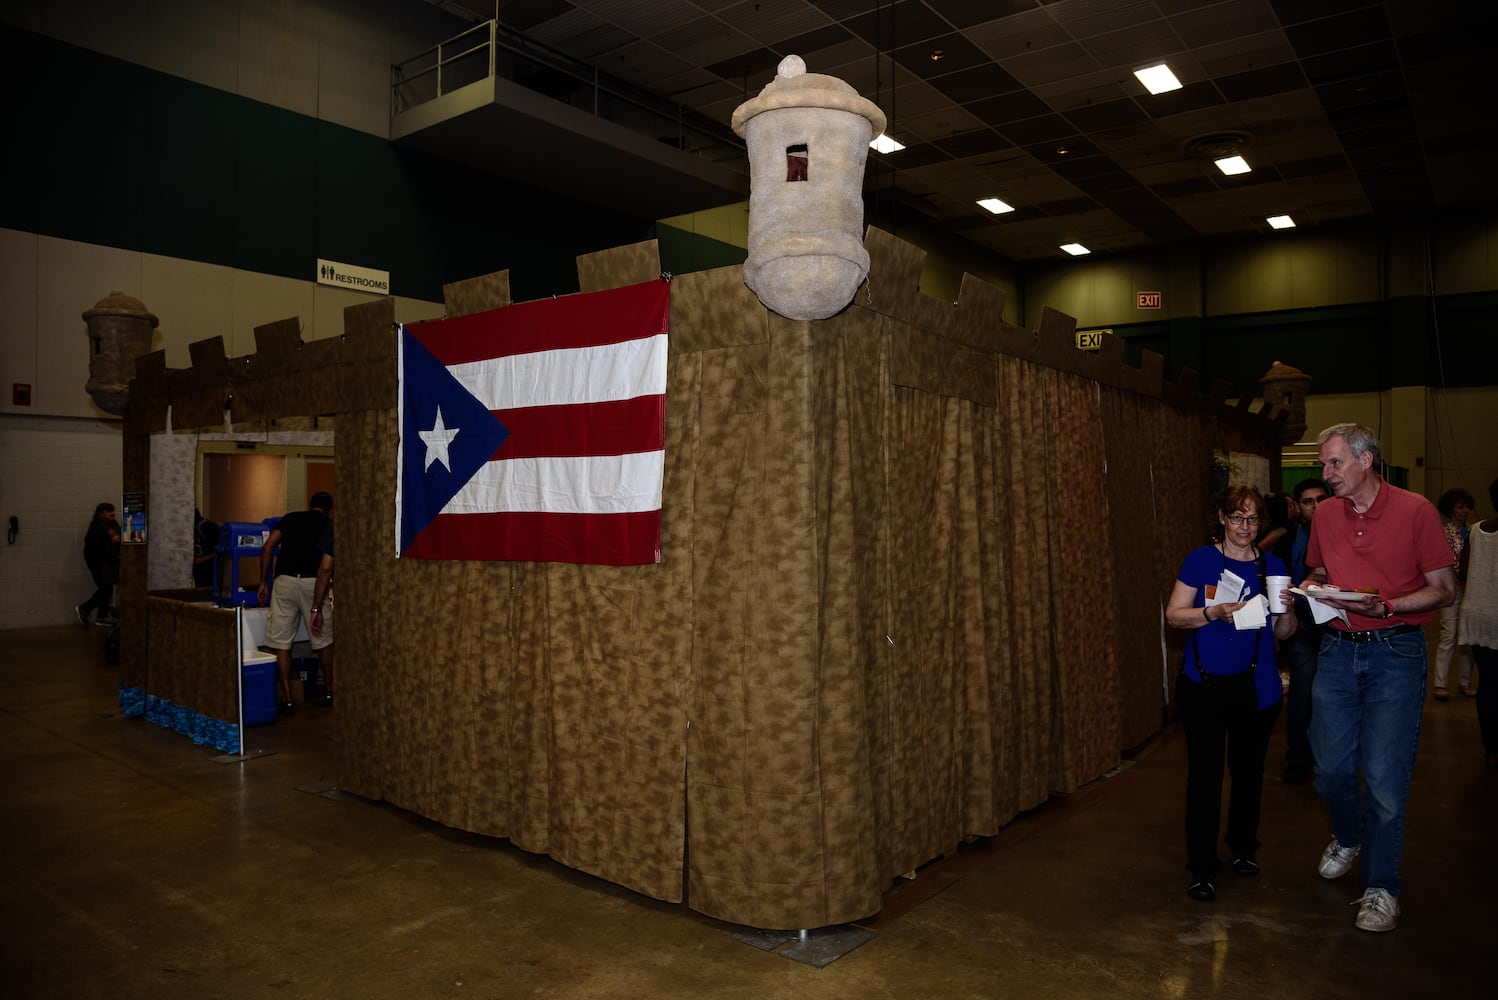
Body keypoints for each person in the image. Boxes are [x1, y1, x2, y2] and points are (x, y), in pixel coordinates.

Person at [1301, 422, 1456, 933]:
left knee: (1386, 781)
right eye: (1323, 464)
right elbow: (1320, 572)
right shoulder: (1325, 514)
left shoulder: (1416, 511)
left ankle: (1381, 887)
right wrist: (1313, 587)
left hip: (1397, 652)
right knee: (1328, 768)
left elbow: (1443, 589)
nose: (1325, 474)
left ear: (1366, 460)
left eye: (1333, 463)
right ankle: (1349, 834)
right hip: (1338, 650)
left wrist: (1386, 605)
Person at [1166, 483, 1296, 903]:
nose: (1245, 526)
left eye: (1254, 518)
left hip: (1257, 691)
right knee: (1204, 779)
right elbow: (1174, 616)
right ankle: (1202, 867)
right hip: (1202, 687)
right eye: (1237, 517)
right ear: (1221, 518)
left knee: (1248, 775)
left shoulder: (1272, 565)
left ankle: (1243, 848)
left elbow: (1283, 633)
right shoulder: (1201, 561)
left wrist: (1288, 611)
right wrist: (1212, 612)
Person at [256, 491, 333, 715]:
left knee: (282, 644)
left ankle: (288, 699)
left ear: (309, 505)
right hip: (313, 582)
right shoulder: (329, 524)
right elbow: (327, 566)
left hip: (285, 581)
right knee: (324, 641)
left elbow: (268, 546)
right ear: (329, 510)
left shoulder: (290, 518)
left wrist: (263, 581)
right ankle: (330, 692)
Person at [1279, 477, 1330, 784]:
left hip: (1337, 627)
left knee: (1334, 696)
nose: (1316, 506)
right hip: (1301, 627)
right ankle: (1298, 761)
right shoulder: (1287, 540)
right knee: (1302, 691)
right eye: (1309, 501)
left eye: (1321, 499)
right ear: (1298, 506)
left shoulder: (1342, 535)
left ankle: (1331, 761)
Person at [1457, 479, 1498, 769]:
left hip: (1478, 613)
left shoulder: (1476, 530)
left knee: (1489, 684)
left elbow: (1464, 570)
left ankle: (1491, 750)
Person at [1432, 487, 1476, 700]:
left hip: (1472, 590)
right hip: (1451, 590)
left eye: (1467, 507)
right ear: (1450, 510)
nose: (1465, 511)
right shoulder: (1442, 532)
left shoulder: (1475, 531)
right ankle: (1440, 684)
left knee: (1468, 637)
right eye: (1460, 507)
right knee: (1448, 635)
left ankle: (1465, 682)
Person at [75, 502, 121, 626]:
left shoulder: (114, 525)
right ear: (101, 513)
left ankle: (101, 616)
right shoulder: (96, 527)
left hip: (110, 562)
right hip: (99, 563)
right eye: (108, 511)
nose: (112, 513)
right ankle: (86, 608)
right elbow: (93, 547)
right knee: (105, 588)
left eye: (113, 510)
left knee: (107, 588)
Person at [308, 520, 334, 707]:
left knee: (326, 642)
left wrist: (316, 608)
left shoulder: (335, 525)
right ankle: (330, 689)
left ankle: (330, 690)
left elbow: (326, 567)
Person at [192, 508, 220, 589]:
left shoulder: (205, 527)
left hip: (209, 571)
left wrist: (201, 559)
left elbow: (220, 550)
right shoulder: (191, 530)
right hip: (199, 572)